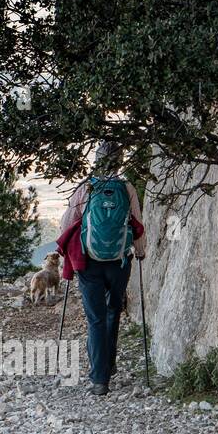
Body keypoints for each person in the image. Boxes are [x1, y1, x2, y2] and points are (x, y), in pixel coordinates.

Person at [54, 141, 146, 396]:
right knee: (113, 312)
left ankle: (99, 379)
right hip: (119, 261)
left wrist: (67, 253)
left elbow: (67, 224)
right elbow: (137, 222)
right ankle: (109, 363)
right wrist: (140, 252)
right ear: (119, 161)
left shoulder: (86, 187)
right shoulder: (127, 188)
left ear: (96, 160)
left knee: (95, 318)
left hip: (89, 261)